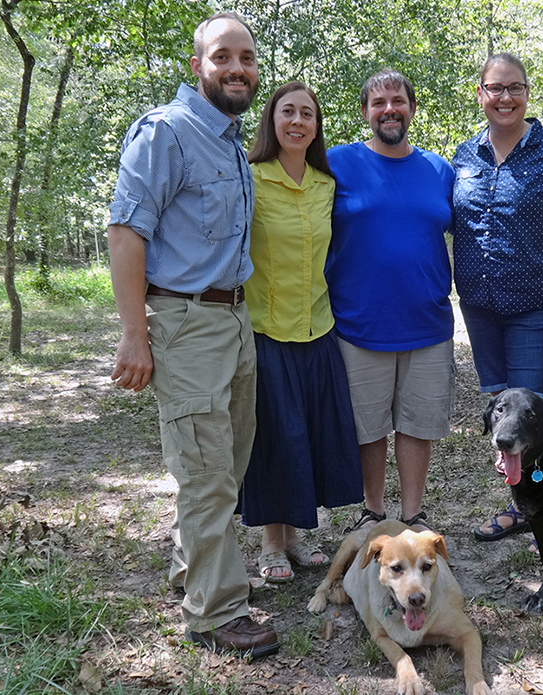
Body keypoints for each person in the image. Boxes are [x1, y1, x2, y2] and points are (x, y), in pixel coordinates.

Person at [107, 12, 278, 658]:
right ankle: (216, 612)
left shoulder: (230, 142)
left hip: (233, 320)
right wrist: (135, 333)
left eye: (247, 58)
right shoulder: (167, 132)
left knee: (225, 463)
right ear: (196, 65)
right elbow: (127, 232)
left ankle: (193, 570)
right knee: (205, 471)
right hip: (184, 322)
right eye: (223, 57)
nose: (237, 68)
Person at [453, 53, 543, 552]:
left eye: (515, 88)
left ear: (527, 92)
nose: (505, 97)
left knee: (530, 418)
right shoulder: (463, 157)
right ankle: (523, 507)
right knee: (504, 418)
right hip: (481, 307)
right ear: (480, 93)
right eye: (495, 88)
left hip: (538, 306)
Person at [236, 82, 364, 583]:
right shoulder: (250, 178)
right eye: (287, 112)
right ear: (272, 120)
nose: (297, 121)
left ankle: (298, 535)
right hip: (267, 331)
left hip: (319, 329)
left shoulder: (325, 184)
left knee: (307, 435)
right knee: (275, 437)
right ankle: (271, 542)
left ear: (316, 127)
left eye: (306, 114)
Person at [325, 69, 455, 534]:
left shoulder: (440, 171)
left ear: (412, 108)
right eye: (378, 103)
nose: (389, 110)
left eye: (397, 101)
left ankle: (413, 513)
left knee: (418, 423)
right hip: (358, 322)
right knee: (368, 426)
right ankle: (374, 510)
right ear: (365, 113)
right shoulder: (336, 163)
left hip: (427, 321)